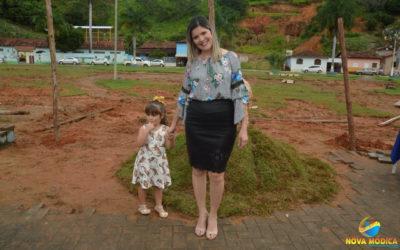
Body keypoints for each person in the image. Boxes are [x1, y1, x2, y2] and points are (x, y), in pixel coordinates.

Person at [168, 16, 250, 240]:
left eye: (204, 33)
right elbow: (184, 95)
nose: (201, 39)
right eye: (196, 37)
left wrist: (244, 127)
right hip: (196, 121)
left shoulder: (230, 58)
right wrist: (173, 125)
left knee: (216, 173)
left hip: (223, 123)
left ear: (211, 31)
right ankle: (201, 213)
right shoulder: (192, 62)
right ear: (192, 41)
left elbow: (240, 92)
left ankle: (213, 214)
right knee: (198, 170)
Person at [132, 96, 175, 218]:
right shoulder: (144, 128)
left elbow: (169, 147)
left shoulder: (165, 129)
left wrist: (171, 139)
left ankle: (158, 205)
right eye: (148, 114)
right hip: (145, 161)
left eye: (154, 115)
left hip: (158, 162)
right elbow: (139, 143)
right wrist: (146, 131)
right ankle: (142, 205)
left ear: (161, 116)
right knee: (143, 184)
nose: (150, 117)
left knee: (158, 184)